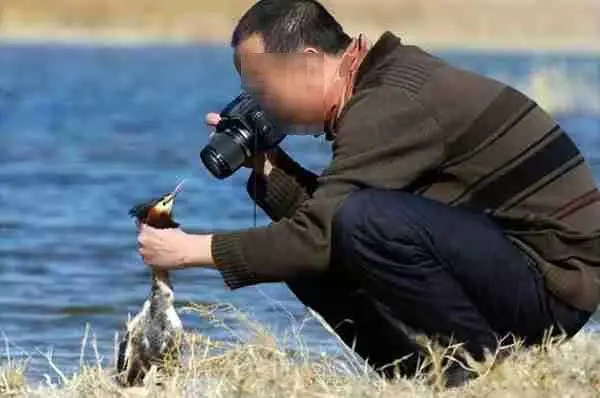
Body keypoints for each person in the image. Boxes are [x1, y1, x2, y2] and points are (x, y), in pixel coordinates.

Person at [136, 0, 600, 386]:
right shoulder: (381, 84)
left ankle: (476, 376)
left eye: (262, 87)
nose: (261, 103)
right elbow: (325, 225)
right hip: (520, 267)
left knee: (353, 225)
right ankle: (419, 380)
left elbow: (328, 230)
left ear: (310, 61)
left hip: (554, 284)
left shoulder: (387, 105)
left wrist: (188, 251)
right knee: (314, 249)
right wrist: (268, 167)